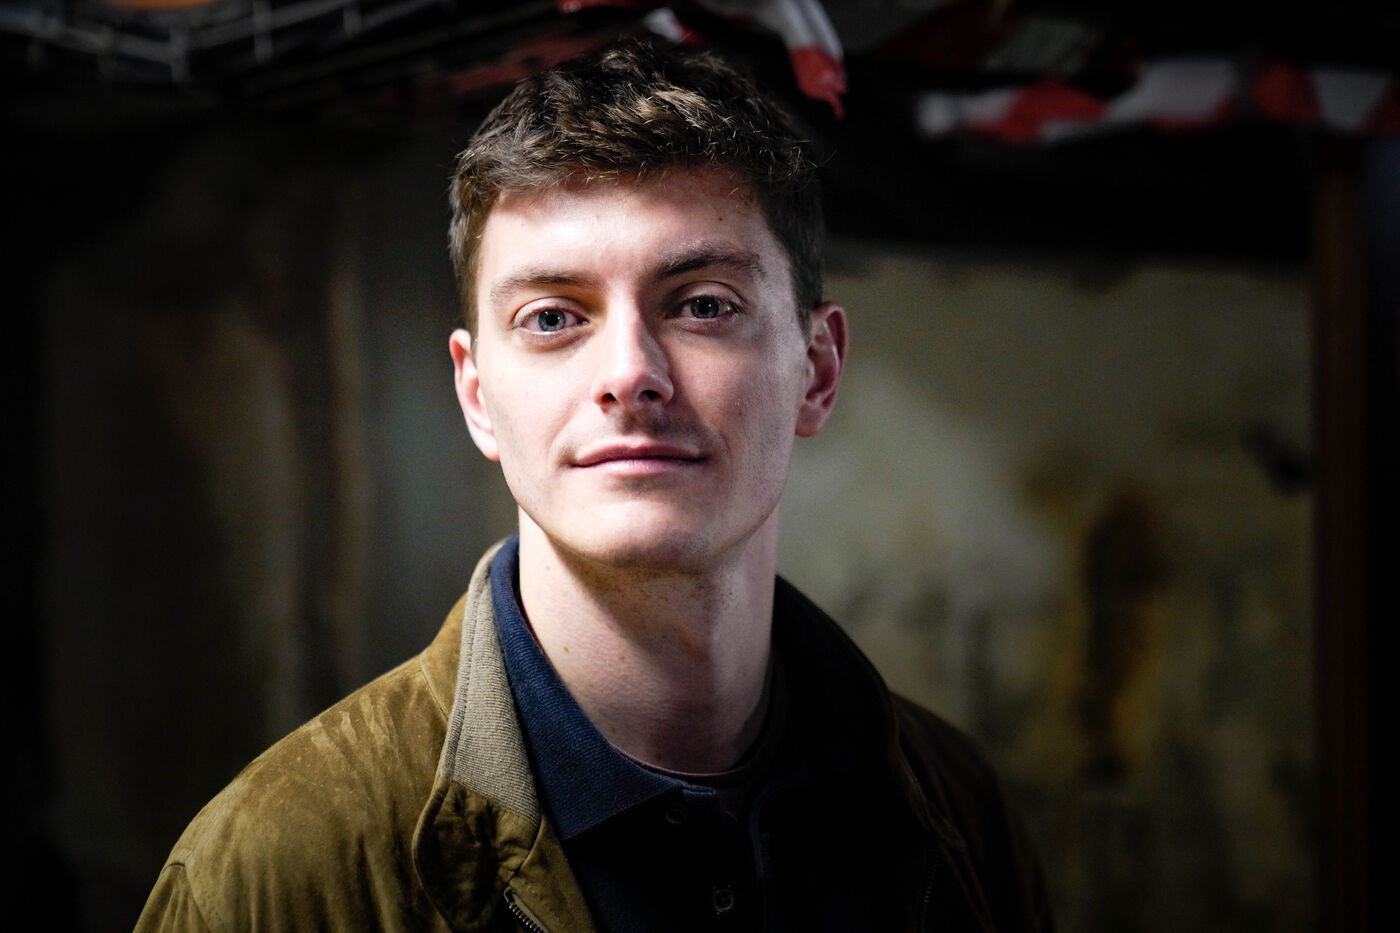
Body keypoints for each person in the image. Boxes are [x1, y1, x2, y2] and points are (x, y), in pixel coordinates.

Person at [136, 38, 1051, 933]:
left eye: (703, 305)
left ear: (816, 368)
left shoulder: (956, 809)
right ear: (477, 396)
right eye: (552, 318)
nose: (629, 373)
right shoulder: (273, 873)